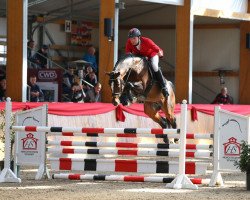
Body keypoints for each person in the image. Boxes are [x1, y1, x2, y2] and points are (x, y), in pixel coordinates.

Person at [125, 28, 169, 97]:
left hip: (152, 55)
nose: (132, 40)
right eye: (131, 38)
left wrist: (160, 53)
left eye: (134, 38)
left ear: (139, 37)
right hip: (141, 57)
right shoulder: (129, 42)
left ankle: (164, 87)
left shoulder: (146, 41)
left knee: (154, 66)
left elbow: (156, 48)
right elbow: (128, 54)